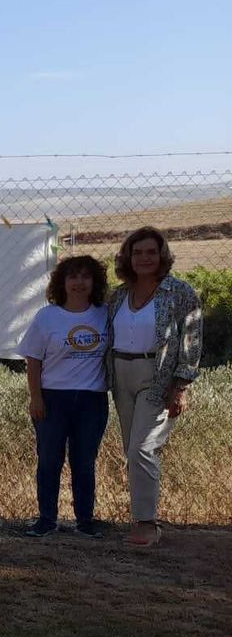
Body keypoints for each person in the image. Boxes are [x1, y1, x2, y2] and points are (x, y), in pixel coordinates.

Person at [105, 226, 203, 547]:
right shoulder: (119, 295)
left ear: (162, 255)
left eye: (151, 252)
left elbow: (191, 340)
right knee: (132, 452)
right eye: (137, 253)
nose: (144, 258)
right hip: (121, 374)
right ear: (128, 257)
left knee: (143, 448)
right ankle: (138, 518)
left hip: (157, 377)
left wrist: (181, 386)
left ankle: (147, 524)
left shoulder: (180, 293)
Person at [17, 254, 110, 538]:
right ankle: (46, 519)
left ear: (94, 282)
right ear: (62, 282)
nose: (78, 282)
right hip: (52, 398)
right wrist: (36, 398)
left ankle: (85, 520)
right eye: (72, 276)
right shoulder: (47, 317)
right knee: (49, 460)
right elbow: (33, 360)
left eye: (85, 276)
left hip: (92, 400)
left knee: (84, 461)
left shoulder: (105, 314)